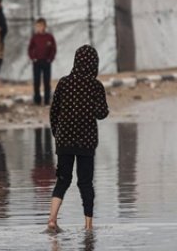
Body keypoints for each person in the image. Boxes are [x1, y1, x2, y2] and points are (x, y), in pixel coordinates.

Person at [46, 45, 110, 233]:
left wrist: (57, 134)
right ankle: (88, 225)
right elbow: (102, 113)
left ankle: (51, 220)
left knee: (63, 180)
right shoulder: (95, 86)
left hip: (64, 140)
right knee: (85, 182)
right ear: (94, 64)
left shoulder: (63, 83)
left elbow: (54, 111)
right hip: (86, 141)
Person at [28, 18, 57, 106]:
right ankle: (37, 100)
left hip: (46, 62)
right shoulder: (34, 37)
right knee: (36, 81)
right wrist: (33, 58)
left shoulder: (49, 37)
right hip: (37, 62)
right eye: (37, 26)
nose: (39, 28)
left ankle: (47, 100)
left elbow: (53, 49)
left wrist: (50, 59)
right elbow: (30, 49)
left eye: (41, 26)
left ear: (44, 26)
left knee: (46, 81)